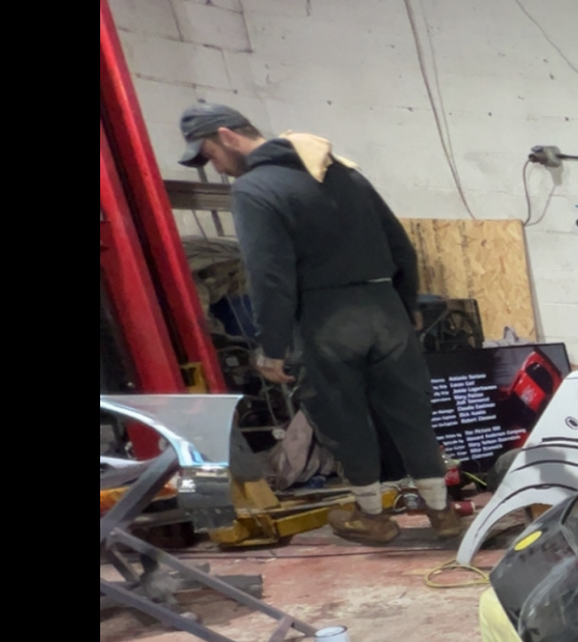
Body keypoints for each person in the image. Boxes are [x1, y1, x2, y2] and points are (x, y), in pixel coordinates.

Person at [177, 100, 457, 544]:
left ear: (228, 136)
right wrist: (406, 306)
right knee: (411, 414)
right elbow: (401, 245)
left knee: (344, 418)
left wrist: (271, 344)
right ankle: (442, 514)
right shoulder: (343, 171)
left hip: (324, 318)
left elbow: (269, 274)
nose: (215, 166)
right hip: (385, 308)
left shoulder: (255, 189)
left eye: (210, 154)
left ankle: (372, 517)